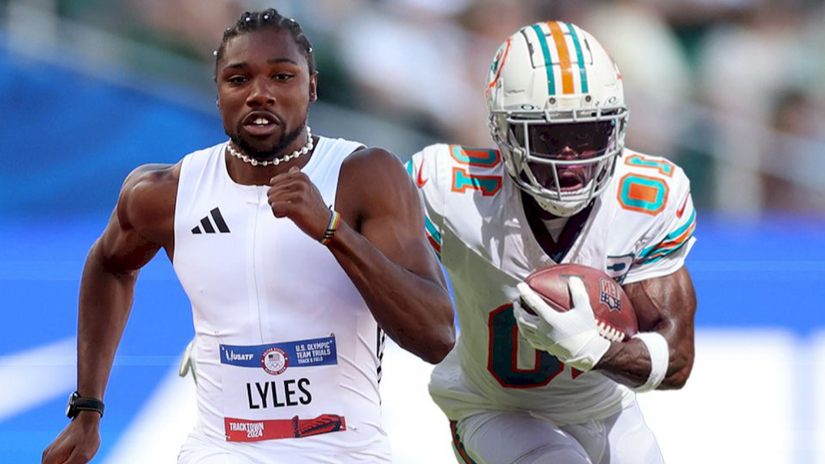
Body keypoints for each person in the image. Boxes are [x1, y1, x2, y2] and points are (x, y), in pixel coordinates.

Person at [41, 9, 455, 464]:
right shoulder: (168, 193)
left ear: (311, 86)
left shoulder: (365, 175)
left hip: (344, 450)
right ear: (217, 92)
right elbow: (110, 265)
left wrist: (332, 230)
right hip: (221, 449)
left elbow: (435, 336)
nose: (261, 94)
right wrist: (87, 410)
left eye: (282, 76)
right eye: (238, 80)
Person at [407, 21, 697, 464]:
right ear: (503, 132)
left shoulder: (648, 199)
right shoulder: (451, 188)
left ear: (615, 129)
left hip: (605, 407)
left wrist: (589, 347)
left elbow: (676, 359)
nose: (571, 160)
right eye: (549, 137)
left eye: (588, 135)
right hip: (492, 407)